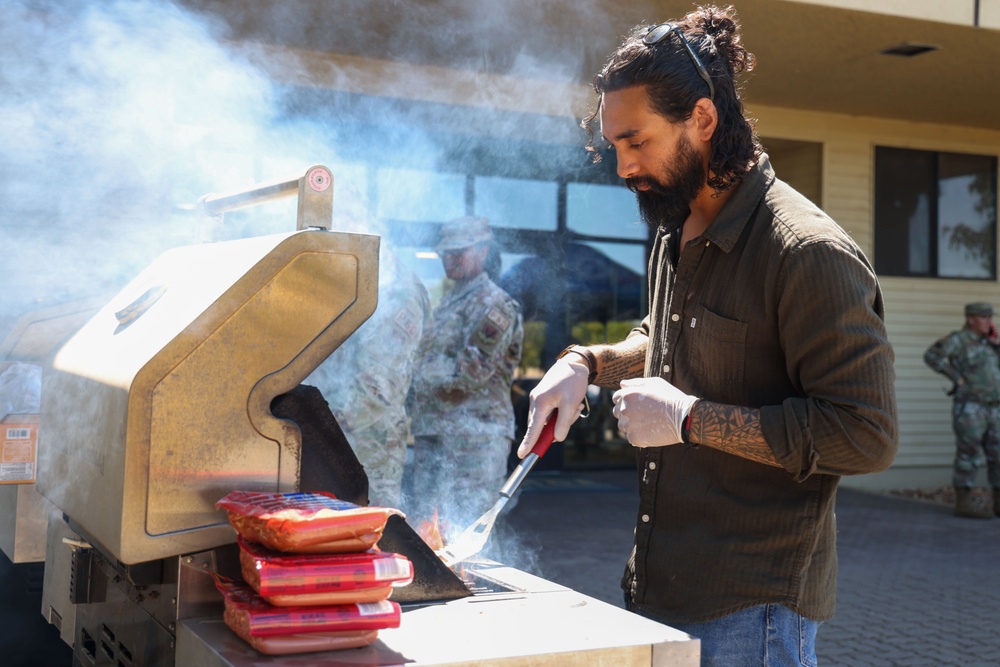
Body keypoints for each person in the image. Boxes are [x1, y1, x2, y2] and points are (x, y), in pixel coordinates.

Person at [516, 7, 898, 666]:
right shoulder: (676, 223)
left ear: (702, 119)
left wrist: (690, 419)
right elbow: (664, 335)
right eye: (614, 147)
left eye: (637, 142)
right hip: (661, 584)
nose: (623, 166)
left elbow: (864, 431)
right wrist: (585, 362)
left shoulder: (807, 252)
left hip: (753, 611)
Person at [406, 216, 524, 530]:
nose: (451, 258)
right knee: (429, 532)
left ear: (484, 252)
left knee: (468, 532)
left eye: (461, 251)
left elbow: (466, 380)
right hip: (434, 432)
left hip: (474, 440)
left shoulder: (494, 305)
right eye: (447, 252)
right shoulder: (445, 304)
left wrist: (412, 382)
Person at [306, 243, 431, 509]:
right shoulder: (361, 276)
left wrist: (317, 426)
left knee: (369, 538)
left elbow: (378, 386)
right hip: (343, 438)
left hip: (369, 444)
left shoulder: (399, 290)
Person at [923, 301, 1000, 519]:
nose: (989, 322)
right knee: (968, 454)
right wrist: (956, 378)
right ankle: (964, 503)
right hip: (970, 408)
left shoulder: (989, 343)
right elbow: (932, 356)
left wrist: (997, 345)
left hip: (994, 408)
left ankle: (998, 503)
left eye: (990, 317)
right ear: (971, 319)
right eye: (984, 318)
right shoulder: (958, 340)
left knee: (998, 455)